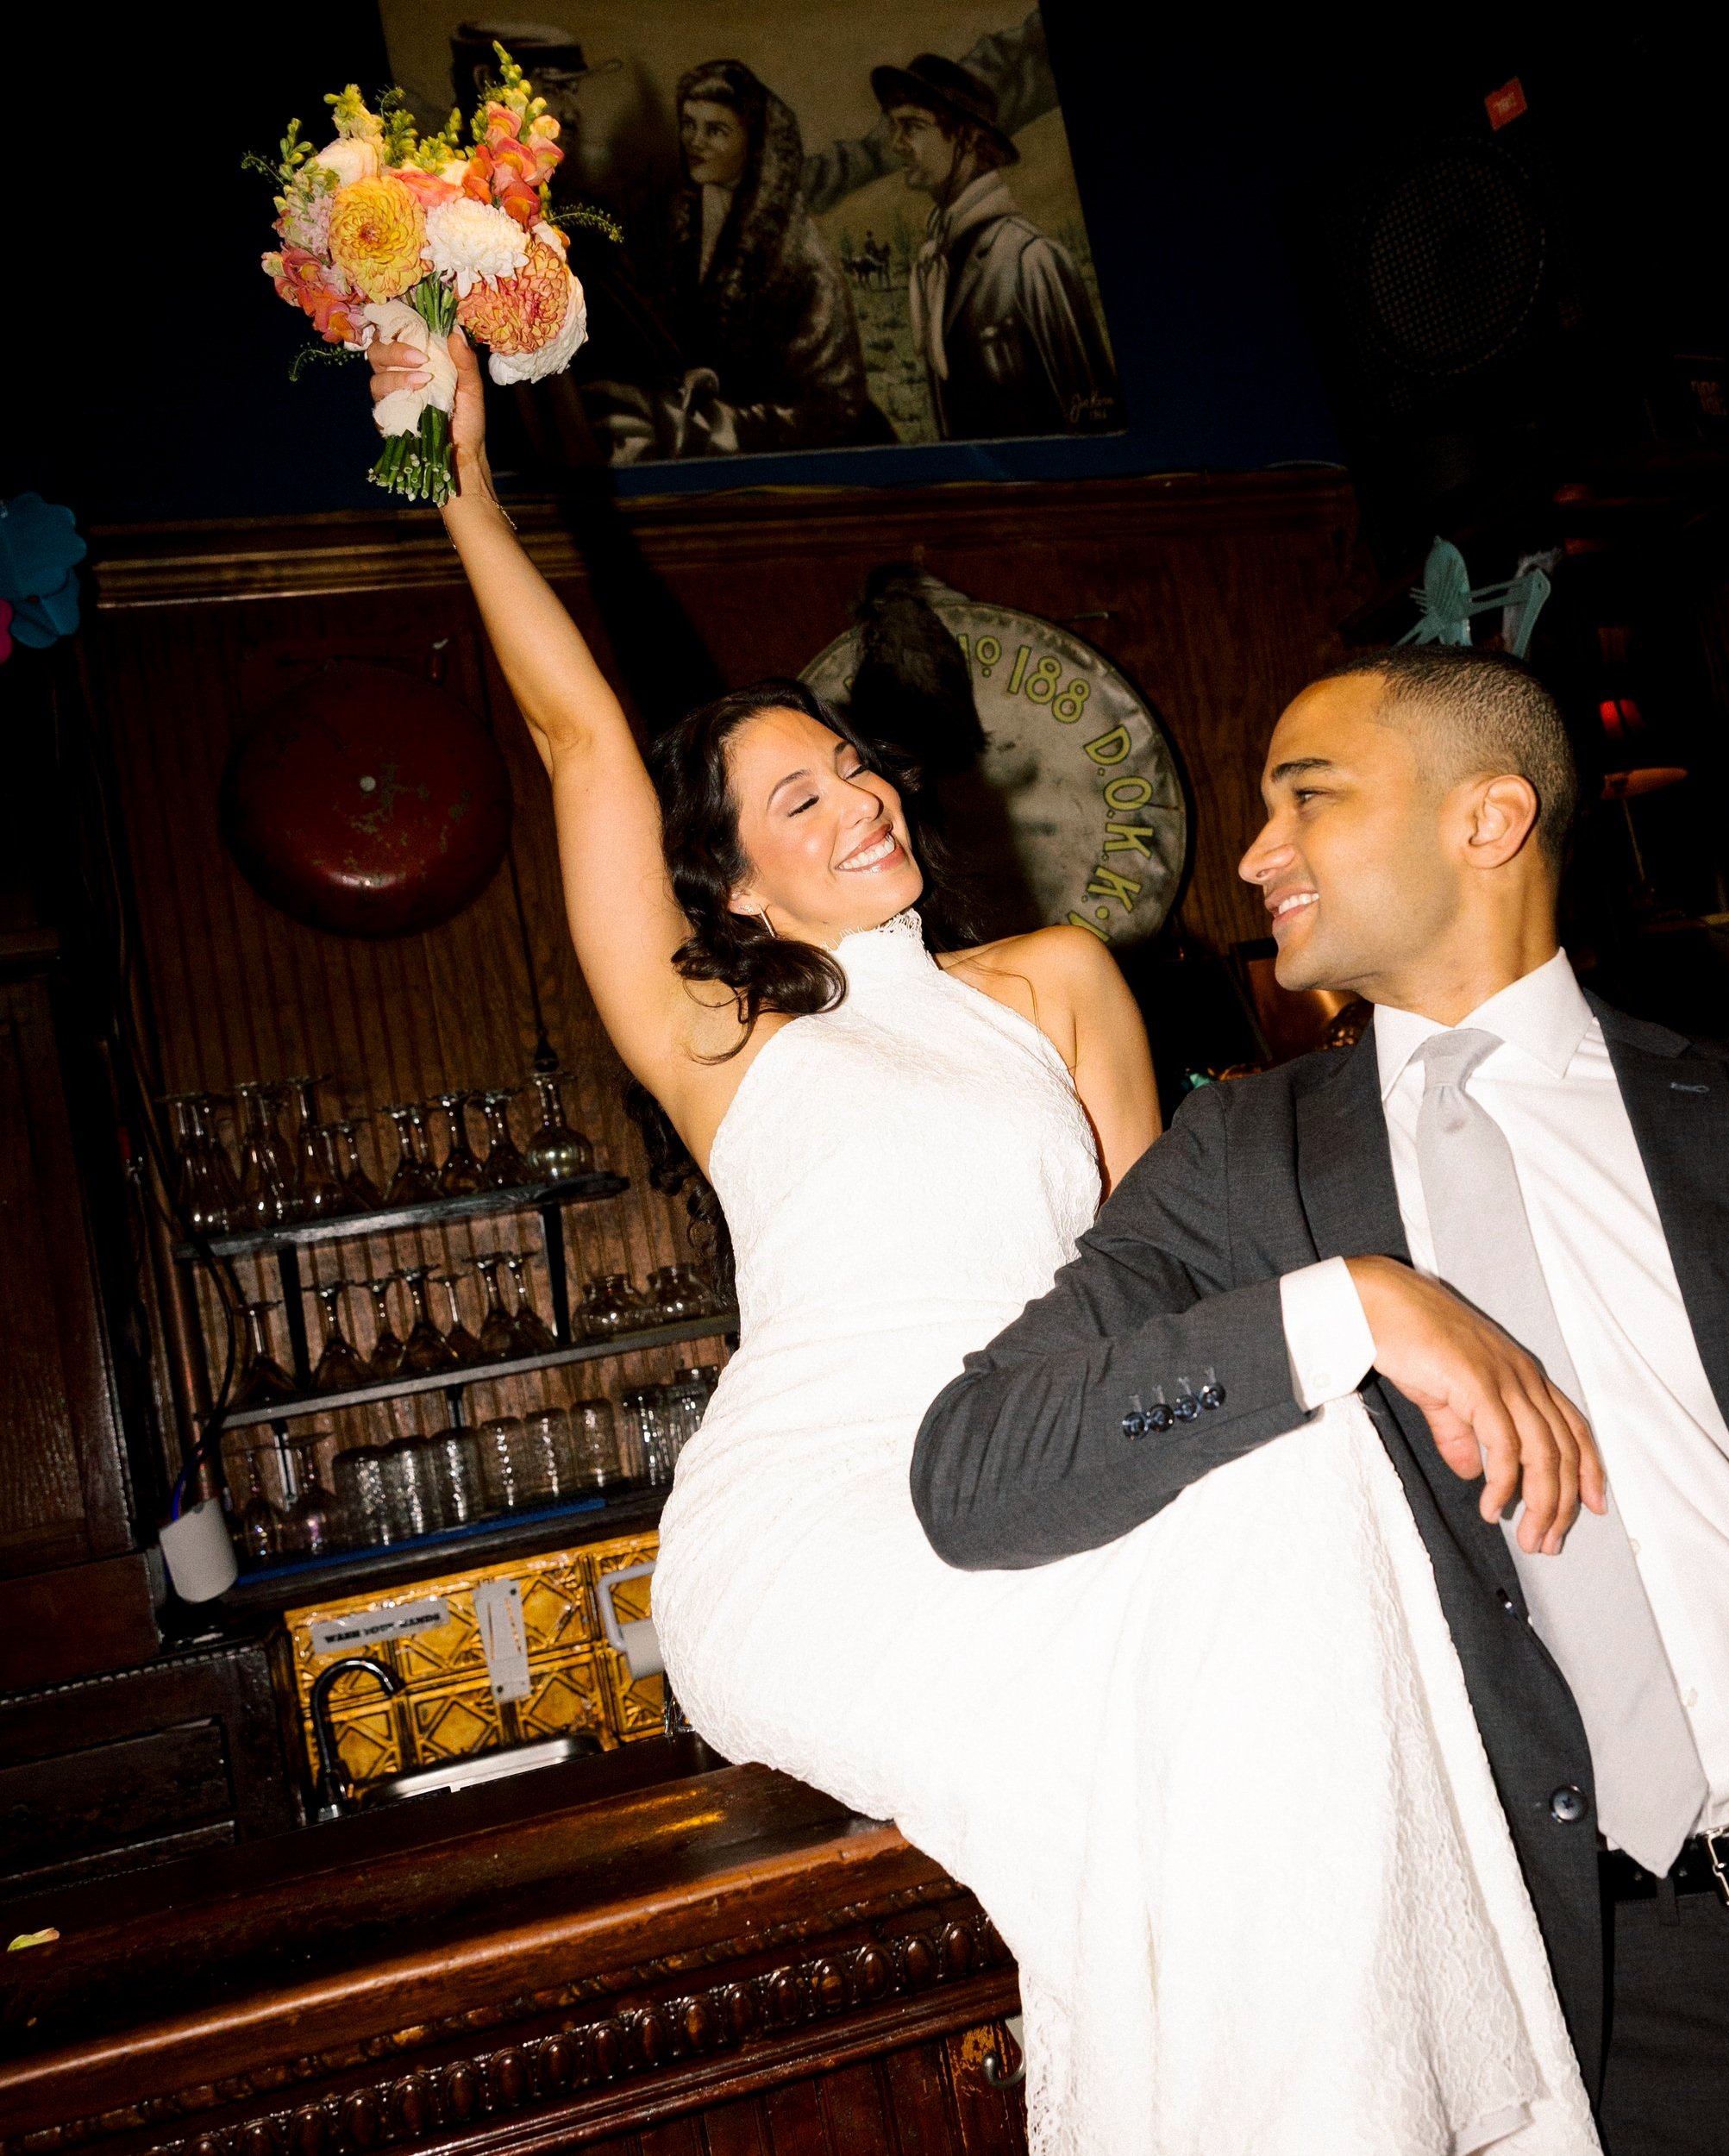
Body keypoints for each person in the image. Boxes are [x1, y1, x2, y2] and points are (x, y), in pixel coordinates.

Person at [363, 333, 1605, 2153]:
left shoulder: (1055, 981)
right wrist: (461, 479)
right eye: (798, 801)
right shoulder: (722, 1034)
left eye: (853, 766)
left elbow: (1164, 1273)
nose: (859, 799)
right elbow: (578, 740)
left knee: (1305, 1479)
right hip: (822, 1517)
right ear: (732, 886)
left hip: (1041, 1451)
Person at [913, 644, 1729, 2156]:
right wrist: (1344, 1308)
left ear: (1488, 819)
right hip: (1591, 2016)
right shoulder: (1247, 1171)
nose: (1253, 855)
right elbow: (976, 1472)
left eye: (1307, 799)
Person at [593, 60, 893, 460]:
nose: (695, 141)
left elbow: (834, 406)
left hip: (790, 454)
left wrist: (721, 422)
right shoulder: (676, 220)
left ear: (755, 142)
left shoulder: (800, 254)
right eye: (688, 125)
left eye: (716, 130)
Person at [873, 53, 1122, 440]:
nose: (896, 144)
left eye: (913, 127)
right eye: (894, 127)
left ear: (968, 137)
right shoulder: (935, 261)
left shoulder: (1030, 259)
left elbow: (1099, 423)